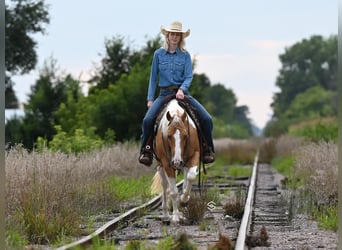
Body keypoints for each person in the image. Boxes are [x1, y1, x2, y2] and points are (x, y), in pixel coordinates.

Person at [139, 21, 215, 166]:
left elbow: (189, 76)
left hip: (182, 94)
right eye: (172, 34)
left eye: (177, 35)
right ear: (167, 36)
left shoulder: (185, 55)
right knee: (147, 120)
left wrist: (182, 89)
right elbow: (153, 78)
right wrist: (150, 99)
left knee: (207, 119)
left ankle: (207, 149)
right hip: (163, 94)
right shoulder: (158, 54)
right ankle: (146, 151)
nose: (174, 37)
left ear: (181, 37)